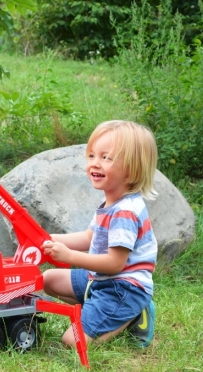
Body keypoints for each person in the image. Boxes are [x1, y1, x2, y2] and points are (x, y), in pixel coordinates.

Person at [42, 120, 158, 348]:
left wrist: (69, 256)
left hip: (124, 287)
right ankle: (103, 311)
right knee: (47, 280)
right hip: (100, 279)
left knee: (72, 342)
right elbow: (88, 238)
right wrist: (47, 239)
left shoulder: (125, 212)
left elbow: (115, 264)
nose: (95, 164)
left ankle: (131, 313)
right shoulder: (111, 200)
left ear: (132, 169)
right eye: (92, 155)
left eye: (107, 158)